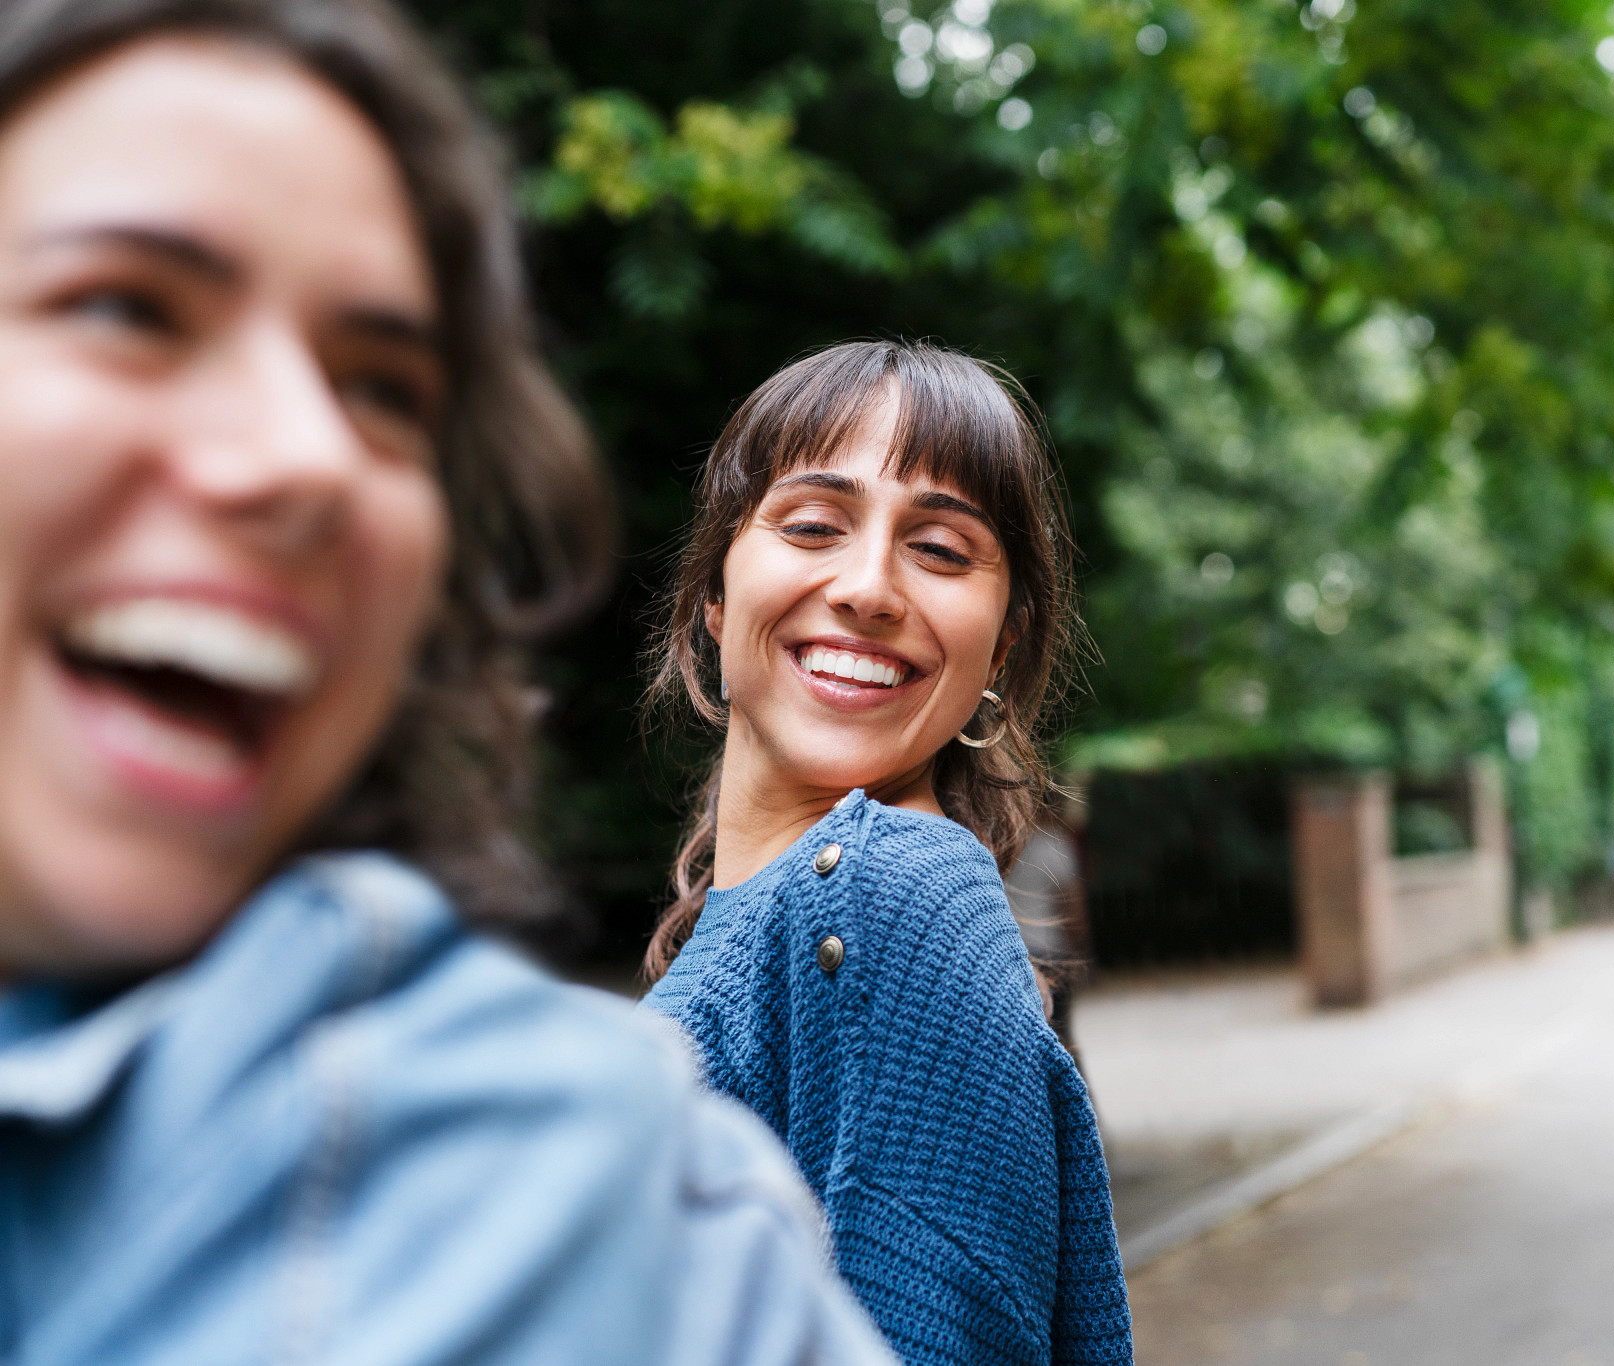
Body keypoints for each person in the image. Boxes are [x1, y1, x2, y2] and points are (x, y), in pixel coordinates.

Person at [0, 2, 894, 1361]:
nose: (307, 453)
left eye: (383, 388)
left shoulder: (584, 1193)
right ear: (704, 605)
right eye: (127, 307)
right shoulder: (705, 924)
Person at [640, 341, 1135, 1365]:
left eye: (943, 551)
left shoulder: (880, 895)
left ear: (999, 648)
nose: (867, 587)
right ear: (714, 597)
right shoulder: (751, 928)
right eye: (814, 525)